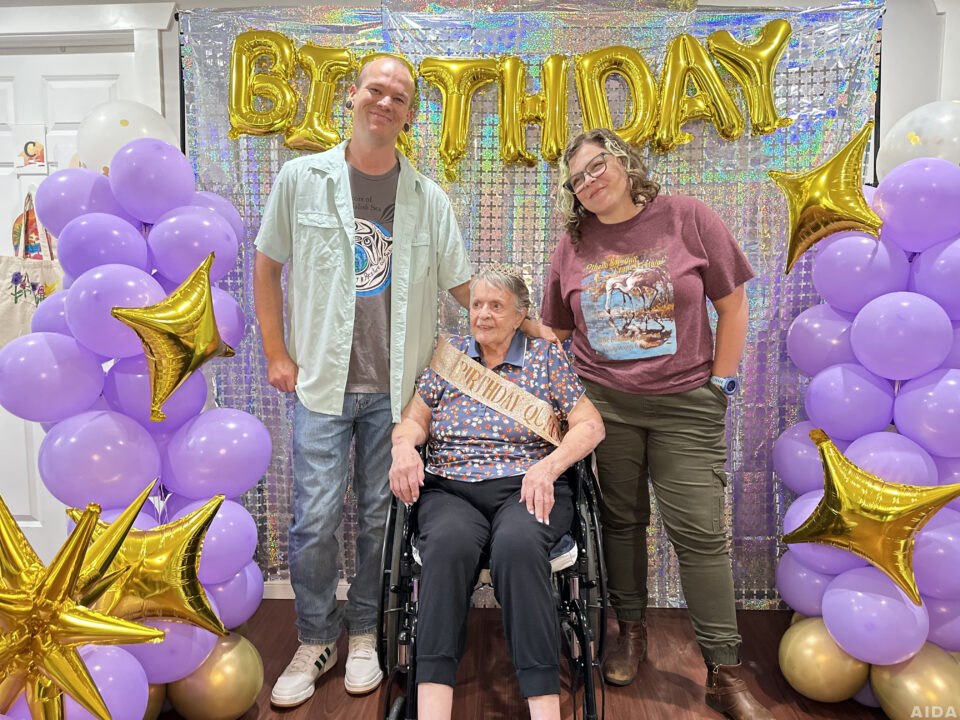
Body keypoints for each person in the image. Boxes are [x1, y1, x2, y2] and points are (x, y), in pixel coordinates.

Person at [253, 54, 473, 708]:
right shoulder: (302, 178)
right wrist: (276, 352)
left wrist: (523, 322)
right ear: (352, 95)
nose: (385, 102)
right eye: (376, 89)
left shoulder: (428, 198)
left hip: (396, 393)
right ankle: (316, 635)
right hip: (322, 385)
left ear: (408, 115)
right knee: (315, 519)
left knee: (383, 519)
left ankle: (366, 633)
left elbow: (462, 287)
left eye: (399, 97)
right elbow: (266, 266)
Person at [540, 128, 772, 720]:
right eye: (577, 179)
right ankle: (631, 634)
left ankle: (724, 670)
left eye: (597, 166)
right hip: (605, 408)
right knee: (621, 523)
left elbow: (732, 305)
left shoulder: (688, 218)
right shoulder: (573, 244)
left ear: (624, 162)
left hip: (686, 404)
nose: (590, 181)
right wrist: (502, 319)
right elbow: (558, 332)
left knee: (700, 533)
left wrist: (720, 385)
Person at [389, 268, 606, 720]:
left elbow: (590, 425)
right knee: (445, 546)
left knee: (518, 547)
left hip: (529, 485)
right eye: (476, 305)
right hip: (452, 490)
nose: (482, 315)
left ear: (521, 314)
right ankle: (431, 709)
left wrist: (550, 466)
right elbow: (414, 420)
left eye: (496, 306)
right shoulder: (450, 357)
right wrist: (404, 448)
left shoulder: (546, 358)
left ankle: (544, 708)